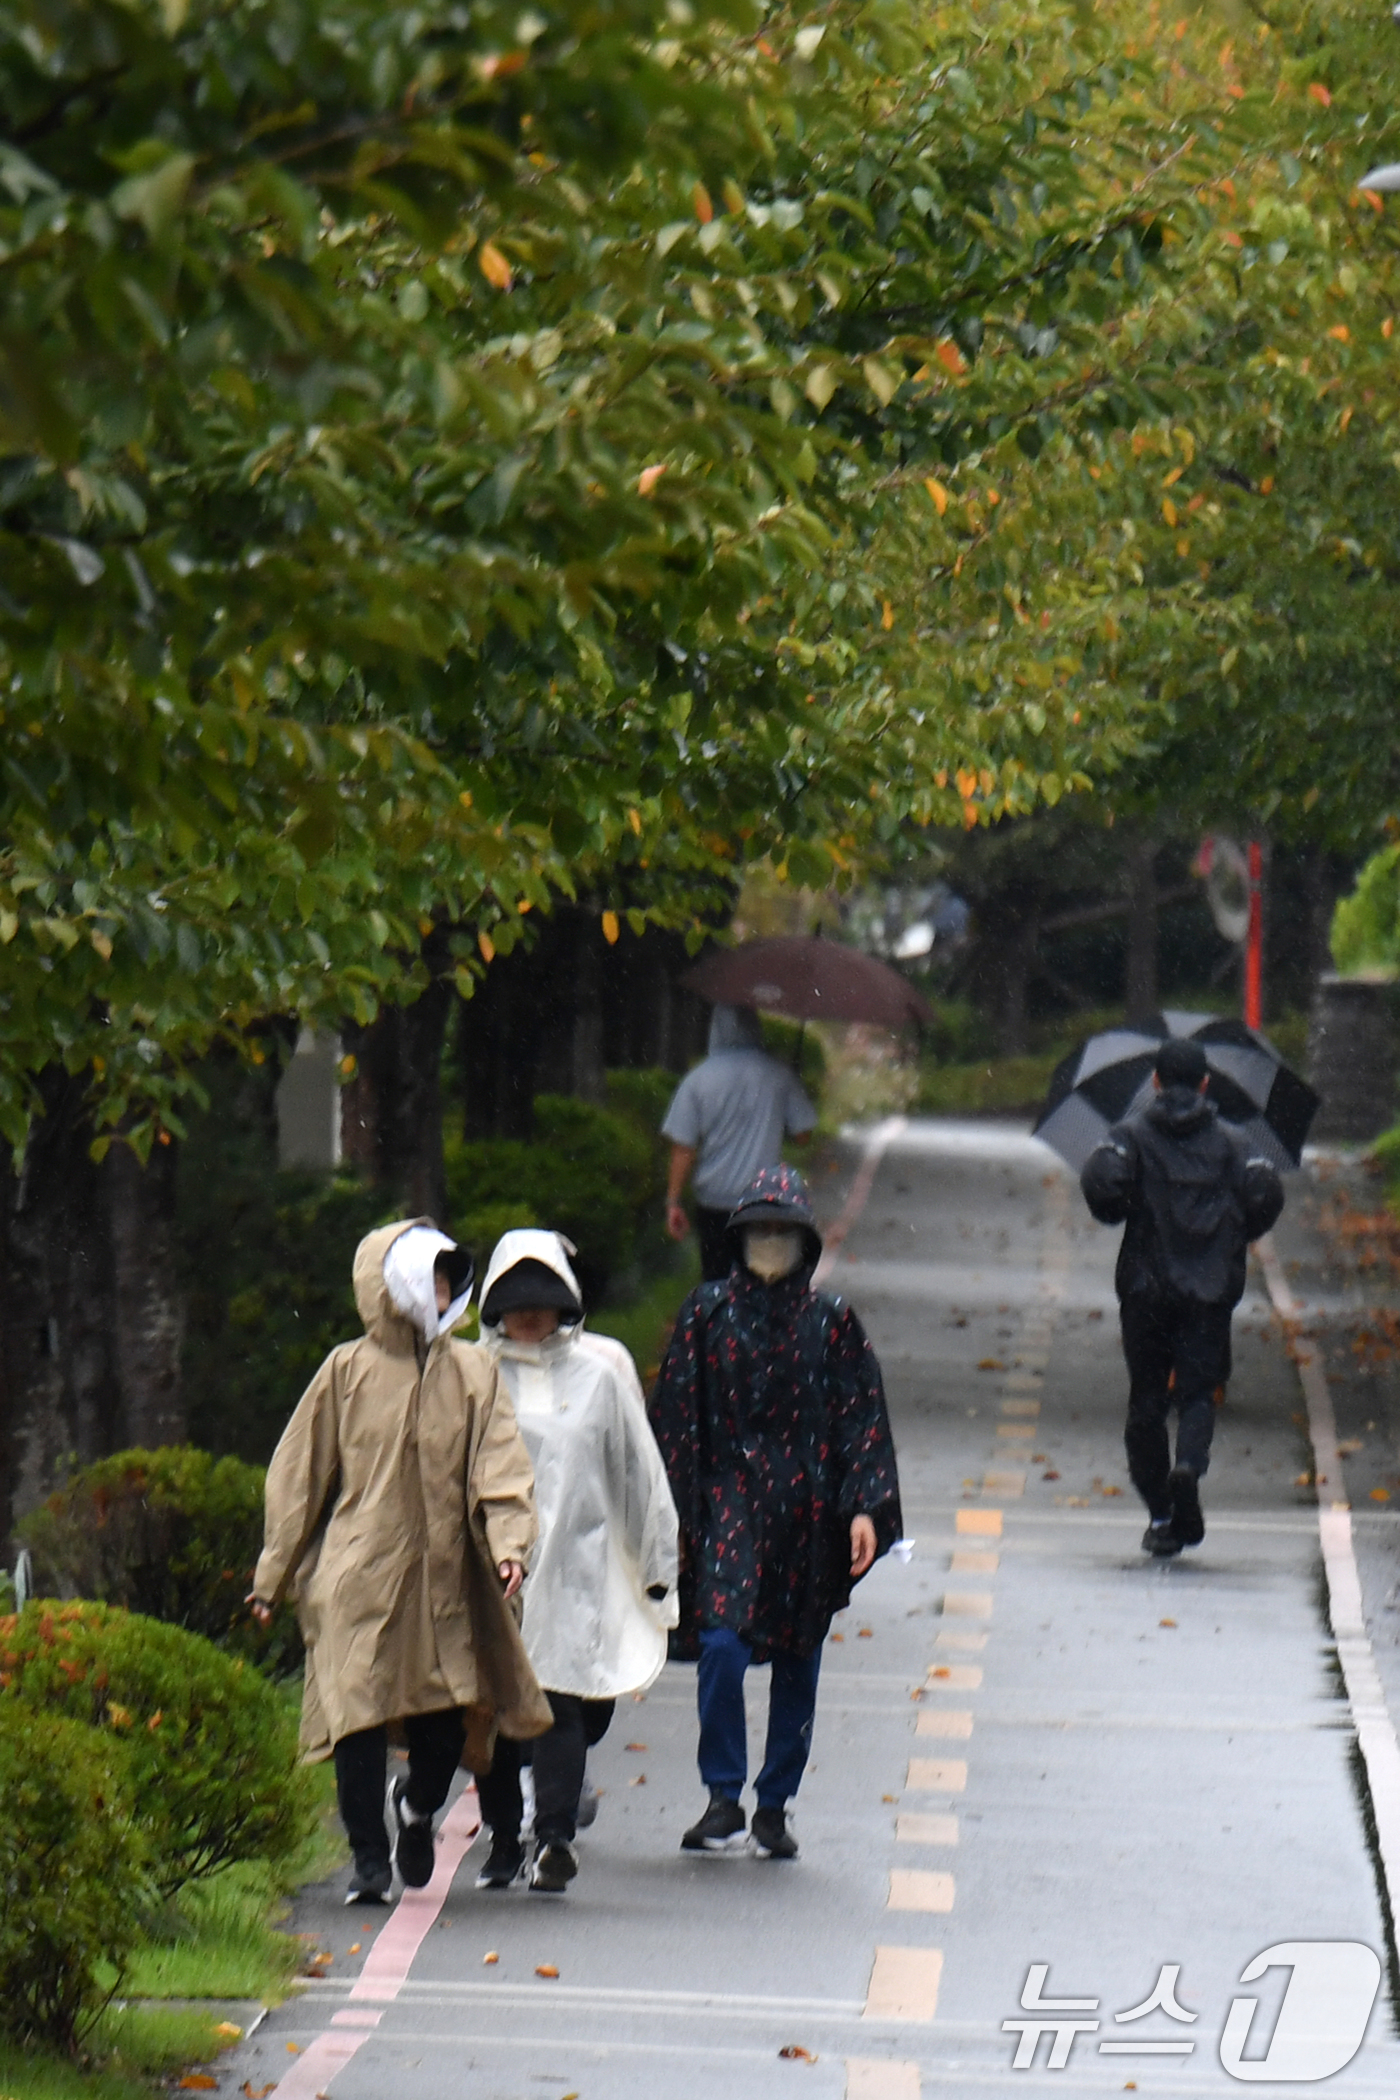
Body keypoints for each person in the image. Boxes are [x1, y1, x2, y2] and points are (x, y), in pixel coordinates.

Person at [249, 1221, 551, 1904]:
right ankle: (367, 1860)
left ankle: (416, 1810)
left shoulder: (475, 1372)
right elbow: (300, 1477)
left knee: (441, 1724)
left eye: (450, 1279)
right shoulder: (345, 1372)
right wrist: (272, 1576)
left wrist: (510, 1547)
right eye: (431, 1276)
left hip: (448, 1584)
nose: (442, 1292)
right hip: (360, 1581)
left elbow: (502, 1469)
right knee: (356, 1717)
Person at [650, 1164, 902, 1860]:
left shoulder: (831, 1321)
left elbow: (861, 1420)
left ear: (802, 1239)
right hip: (727, 1501)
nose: (768, 1241)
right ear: (736, 1238)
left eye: (780, 1229)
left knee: (798, 1657)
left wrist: (864, 1510)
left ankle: (774, 1804)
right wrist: (669, 1512)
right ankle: (723, 1794)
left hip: (807, 1510)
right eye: (756, 1228)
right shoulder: (707, 1314)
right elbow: (675, 1418)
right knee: (721, 1645)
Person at [473, 1229, 680, 1894]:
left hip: (578, 1567)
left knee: (561, 1699)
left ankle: (554, 1838)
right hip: (491, 1569)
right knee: (497, 1709)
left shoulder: (599, 1379)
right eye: (516, 1302)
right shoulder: (470, 1378)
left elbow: (637, 1474)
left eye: (542, 1301)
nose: (529, 1316)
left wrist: (657, 1565)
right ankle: (505, 1838)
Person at [1081, 1037, 1285, 1557]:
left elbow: (1102, 1188)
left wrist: (1132, 1202)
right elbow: (1265, 1194)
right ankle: (1188, 1466)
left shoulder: (1130, 1136)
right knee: (1197, 1392)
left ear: (1154, 1082)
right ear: (1204, 1083)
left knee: (1146, 1401)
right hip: (1209, 1290)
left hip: (1146, 1288)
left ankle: (1161, 1510)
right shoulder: (1236, 1143)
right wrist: (1233, 1236)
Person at [662, 1004, 817, 1281]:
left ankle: (722, 1324)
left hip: (713, 1202)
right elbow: (803, 1135)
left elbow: (683, 1148)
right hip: (763, 1203)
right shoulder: (779, 1075)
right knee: (763, 1278)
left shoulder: (698, 1079)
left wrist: (673, 1201)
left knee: (717, 1282)